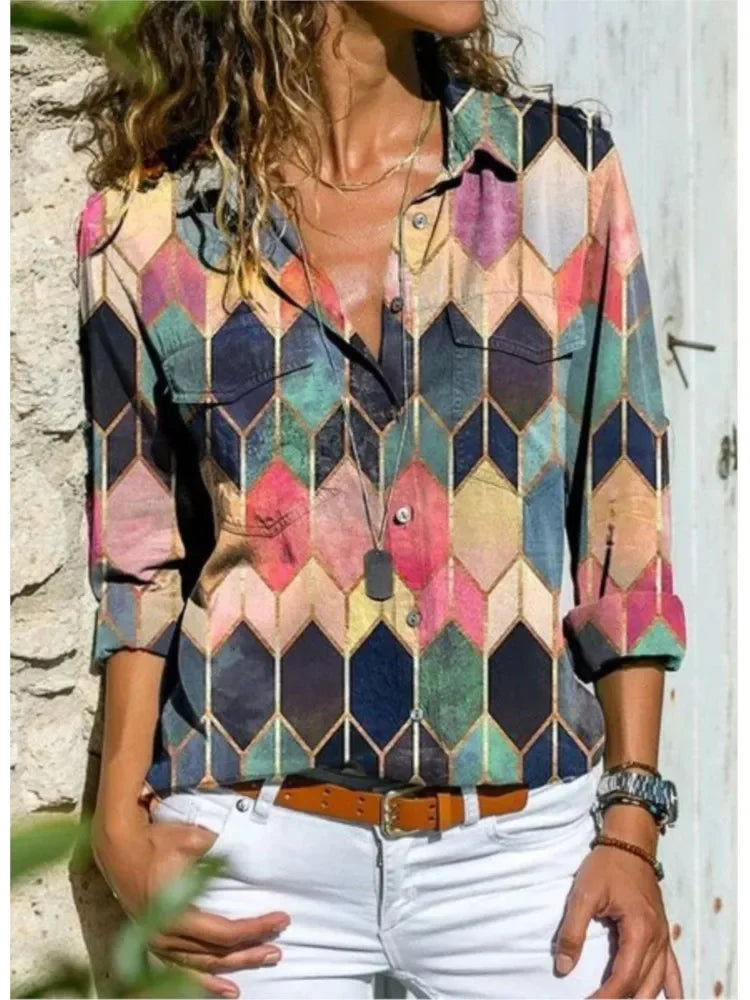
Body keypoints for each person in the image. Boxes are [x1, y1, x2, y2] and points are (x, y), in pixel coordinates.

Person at [73, 2, 688, 998]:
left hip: (526, 859)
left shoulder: (556, 178)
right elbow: (138, 553)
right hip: (250, 858)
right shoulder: (153, 226)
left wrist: (632, 828)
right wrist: (115, 825)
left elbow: (627, 520)